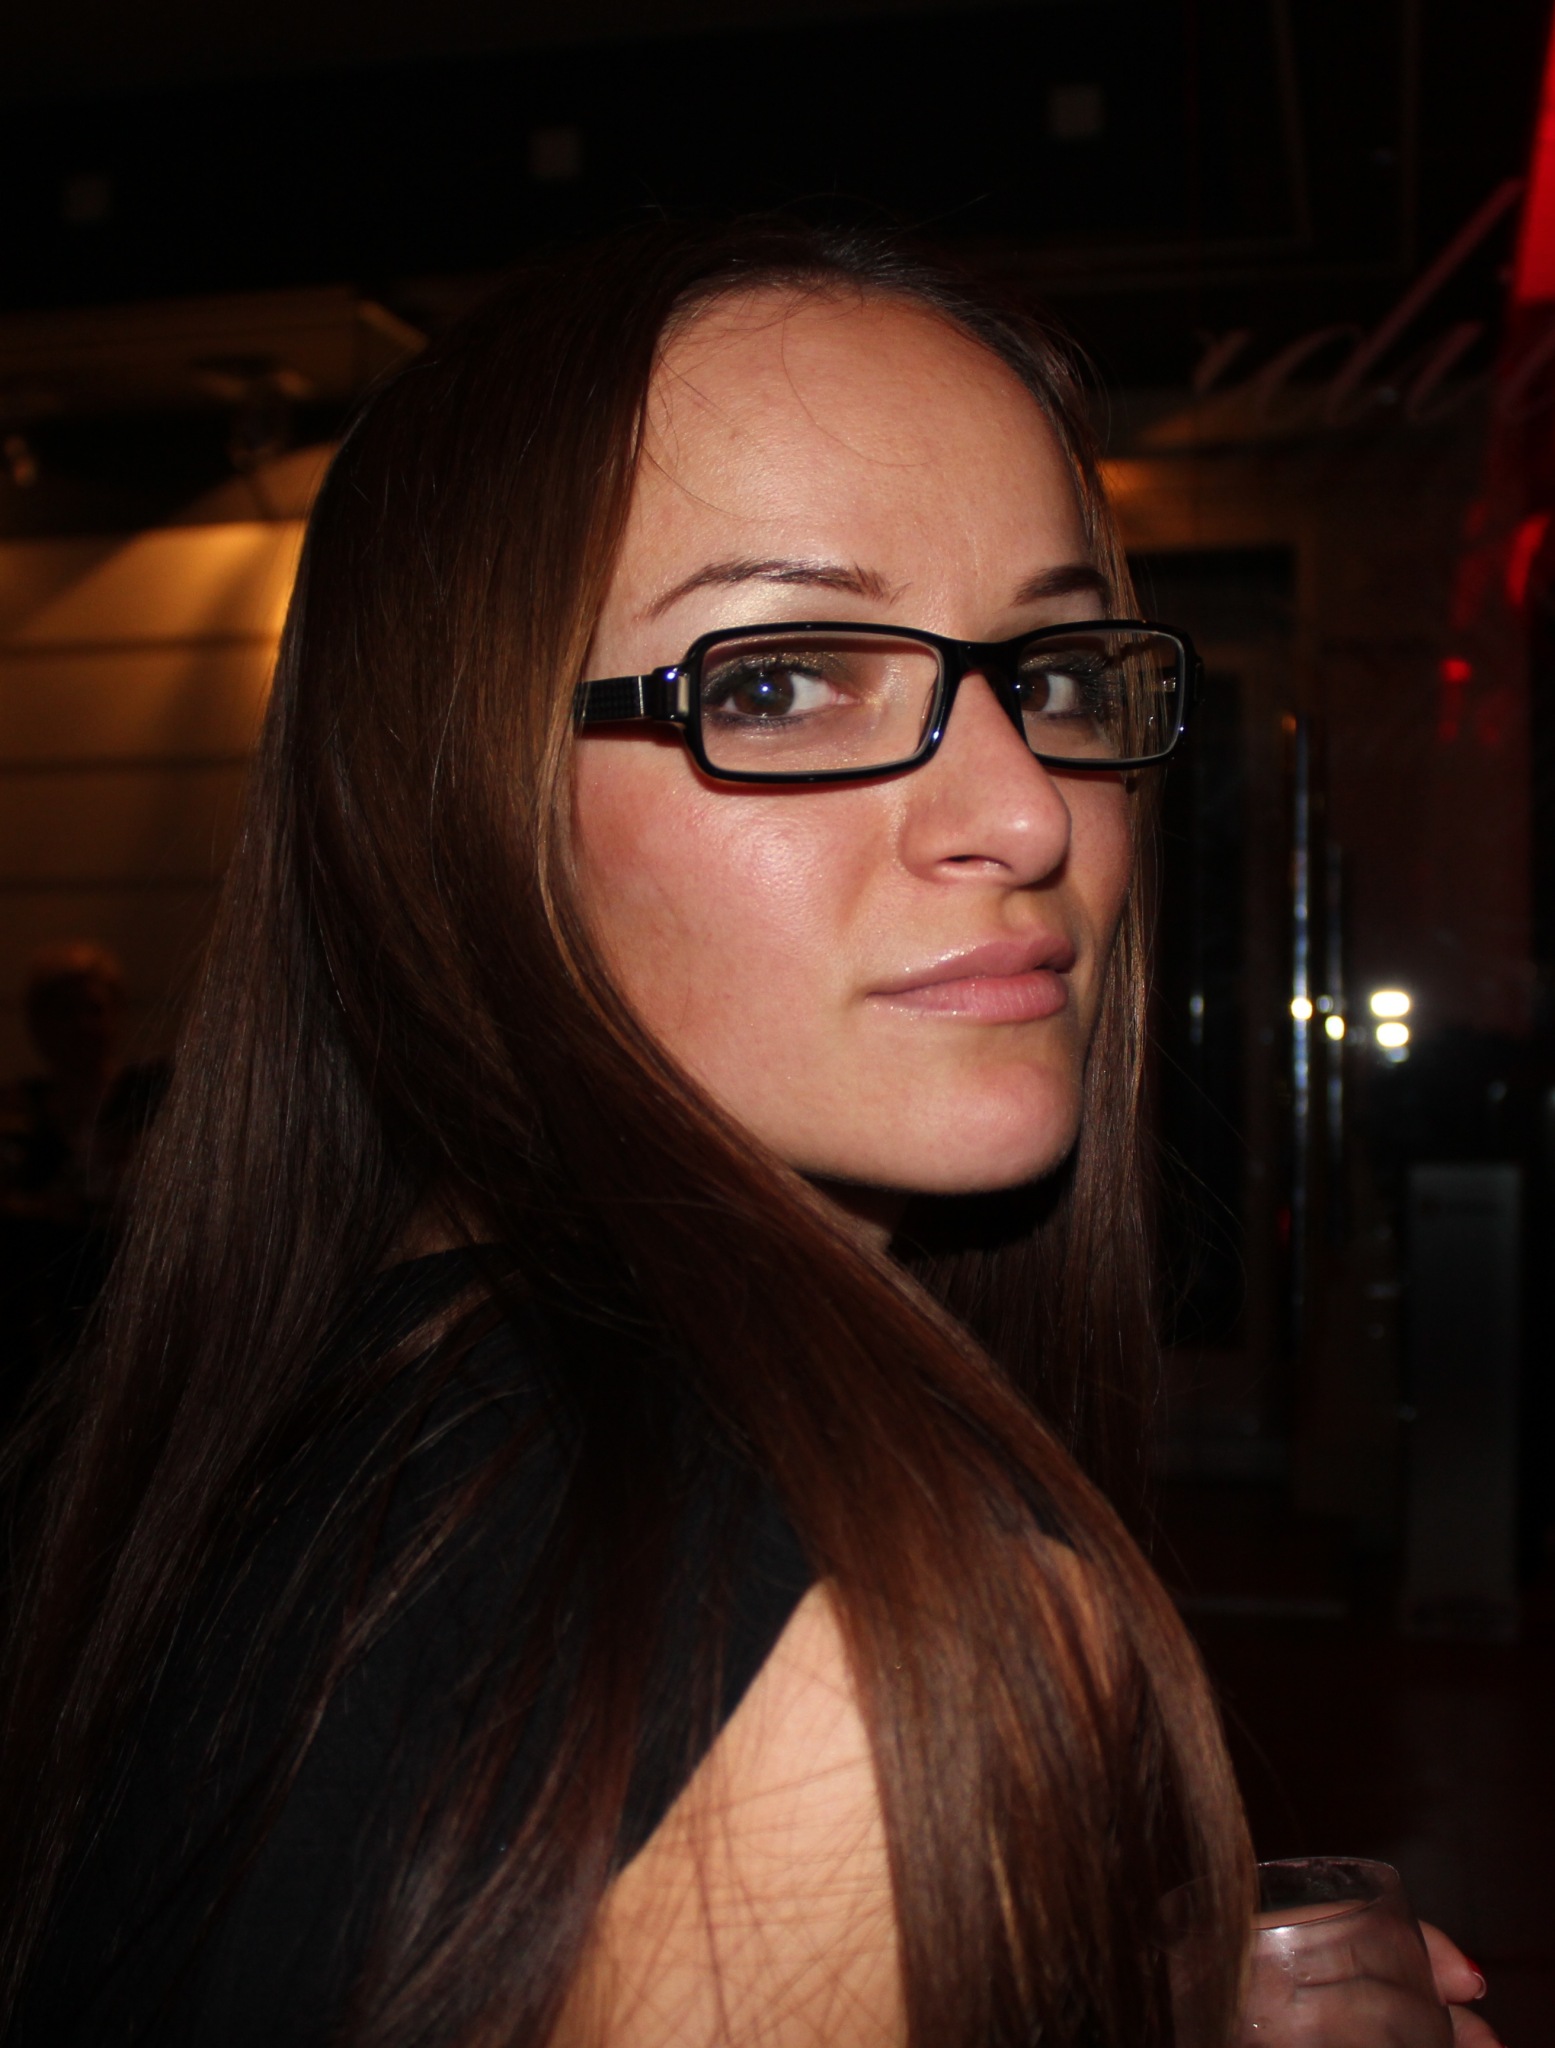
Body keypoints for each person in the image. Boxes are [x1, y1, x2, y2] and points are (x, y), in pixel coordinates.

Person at [0, 223, 1494, 2047]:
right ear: (448, 799)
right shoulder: (870, 1655)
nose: (1028, 809)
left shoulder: (339, 1428)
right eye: (777, 681)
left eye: (1046, 672)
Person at [0, 943, 168, 1420]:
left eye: (94, 1010)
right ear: (38, 1024)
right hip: (40, 1325)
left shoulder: (150, 1098)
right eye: (65, 1013)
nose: (82, 1027)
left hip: (133, 1309)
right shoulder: (16, 1113)